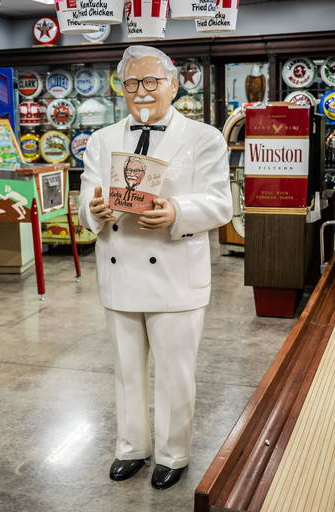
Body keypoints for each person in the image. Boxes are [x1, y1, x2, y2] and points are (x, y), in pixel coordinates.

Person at [78, 45, 232, 490]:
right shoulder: (103, 139)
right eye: (131, 83)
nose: (141, 92)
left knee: (173, 372)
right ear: (121, 89)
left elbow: (221, 202)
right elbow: (87, 198)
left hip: (174, 273)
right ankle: (131, 448)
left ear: (173, 85)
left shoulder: (205, 137)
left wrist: (178, 212)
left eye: (151, 82)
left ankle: (172, 454)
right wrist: (96, 211)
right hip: (118, 271)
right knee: (126, 370)